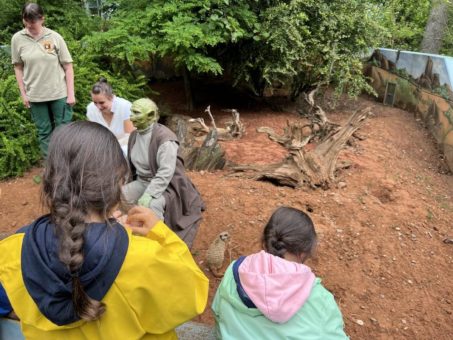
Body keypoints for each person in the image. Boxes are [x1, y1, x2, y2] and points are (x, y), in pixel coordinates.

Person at [0, 121, 209, 339]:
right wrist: (160, 233)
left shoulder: (11, 250)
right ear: (118, 182)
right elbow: (193, 297)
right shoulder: (142, 258)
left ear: (51, 181)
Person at [212, 206, 349, 339]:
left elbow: (218, 314)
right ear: (304, 252)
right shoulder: (320, 300)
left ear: (265, 241)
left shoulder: (234, 270)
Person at [123, 98, 205, 248]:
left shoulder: (165, 139)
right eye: (131, 113)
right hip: (142, 181)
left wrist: (150, 194)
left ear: (151, 115)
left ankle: (157, 242)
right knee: (121, 195)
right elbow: (132, 165)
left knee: (153, 205)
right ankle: (131, 230)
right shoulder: (135, 135)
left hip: (167, 186)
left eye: (136, 113)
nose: (131, 117)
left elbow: (166, 172)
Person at [11, 3, 75, 157]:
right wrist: (23, 94)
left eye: (33, 21)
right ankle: (51, 166)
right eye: (26, 21)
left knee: (64, 130)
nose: (29, 25)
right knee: (44, 132)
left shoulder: (55, 37)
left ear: (42, 19)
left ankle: (67, 162)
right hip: (35, 96)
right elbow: (18, 67)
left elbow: (68, 66)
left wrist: (71, 93)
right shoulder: (17, 39)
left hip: (59, 93)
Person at [86, 78, 135, 154]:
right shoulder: (91, 108)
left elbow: (130, 137)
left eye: (102, 103)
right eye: (95, 102)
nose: (98, 107)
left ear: (111, 97)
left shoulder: (125, 106)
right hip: (102, 148)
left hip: (125, 147)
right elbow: (93, 135)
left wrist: (111, 147)